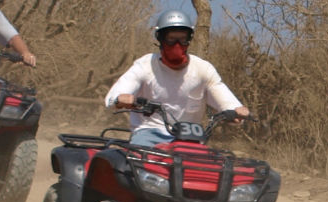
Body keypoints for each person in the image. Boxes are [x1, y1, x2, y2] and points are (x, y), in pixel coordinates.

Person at [105, 8, 252, 147]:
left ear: (189, 40)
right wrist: (122, 98)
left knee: (204, 169)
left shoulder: (203, 69)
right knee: (140, 166)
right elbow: (113, 97)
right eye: (171, 39)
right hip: (150, 133)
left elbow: (223, 97)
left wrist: (236, 110)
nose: (177, 45)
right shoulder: (145, 65)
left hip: (190, 138)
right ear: (160, 39)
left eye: (182, 39)